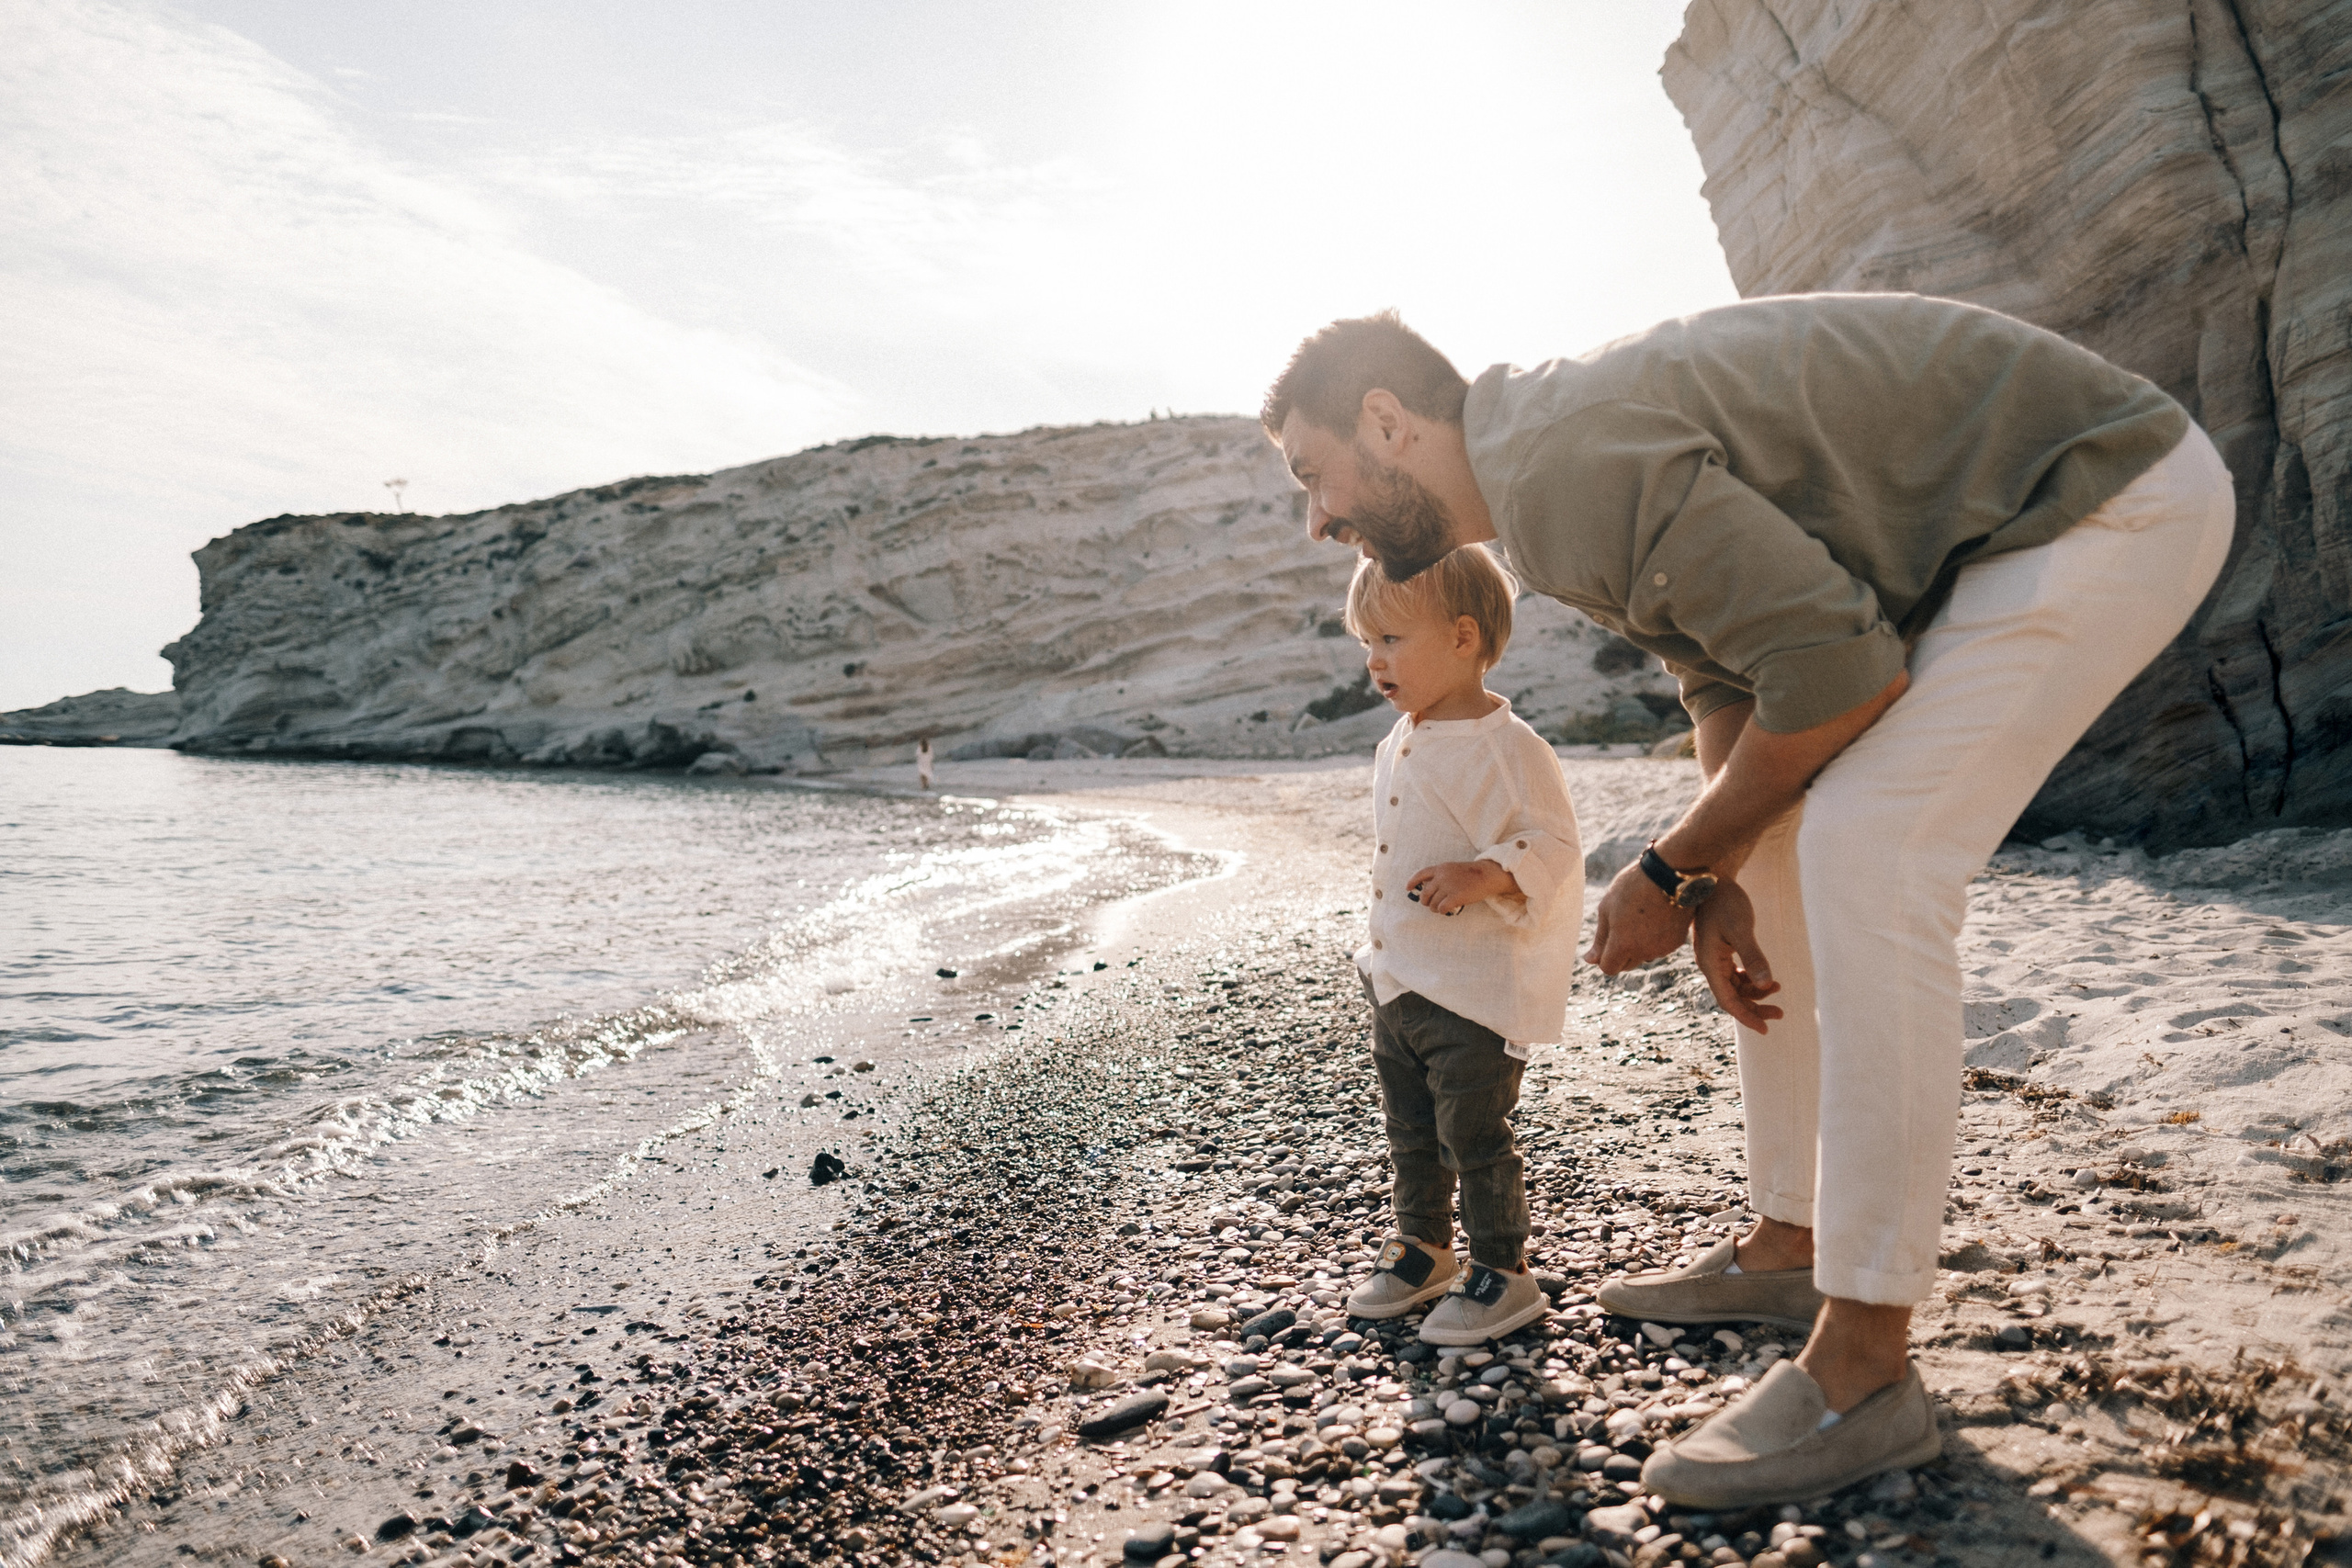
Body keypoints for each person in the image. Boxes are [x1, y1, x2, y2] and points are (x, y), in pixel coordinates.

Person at [1263, 296, 2233, 1504]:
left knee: (1870, 845)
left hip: (2105, 496)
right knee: (1772, 854)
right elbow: (1730, 664)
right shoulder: (1538, 470)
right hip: (2008, 521)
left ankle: (1867, 1363)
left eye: (1316, 475)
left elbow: (1840, 674)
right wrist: (1716, 869)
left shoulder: (1559, 458)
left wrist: (1670, 869)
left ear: (1387, 420)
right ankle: (1788, 1239)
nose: (1316, 519)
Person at [1337, 544, 1584, 1346]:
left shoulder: (1508, 747)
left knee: (1474, 1134)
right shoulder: (1398, 741)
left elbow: (1553, 846)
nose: (1375, 660)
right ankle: (1425, 1248)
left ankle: (1502, 1270)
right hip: (1402, 981)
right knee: (1409, 1130)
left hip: (1472, 991)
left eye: (1392, 640)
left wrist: (1487, 873)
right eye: (1366, 643)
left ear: (1464, 637)